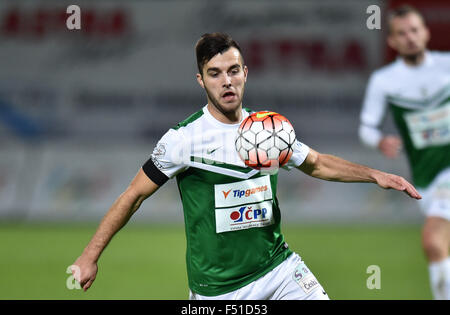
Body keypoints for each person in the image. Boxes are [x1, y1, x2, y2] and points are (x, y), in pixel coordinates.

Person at [72, 32, 421, 300]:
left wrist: (374, 174)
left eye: (233, 70)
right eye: (214, 74)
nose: (226, 81)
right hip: (217, 289)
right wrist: (90, 256)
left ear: (245, 73)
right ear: (200, 81)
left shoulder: (267, 129)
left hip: (279, 268)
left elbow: (315, 163)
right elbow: (133, 195)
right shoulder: (182, 140)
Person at [359, 5, 450, 300]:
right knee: (437, 246)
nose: (410, 37)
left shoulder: (447, 65)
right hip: (427, 178)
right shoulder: (385, 81)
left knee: (434, 242)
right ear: (392, 42)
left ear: (425, 32)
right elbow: (366, 128)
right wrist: (379, 141)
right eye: (402, 33)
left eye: (414, 30)